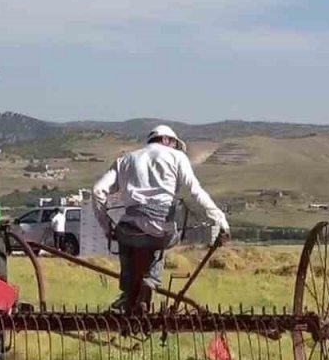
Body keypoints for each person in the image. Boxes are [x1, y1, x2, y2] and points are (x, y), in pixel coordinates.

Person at [92, 124, 230, 313]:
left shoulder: (125, 160)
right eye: (174, 144)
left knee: (124, 239)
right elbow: (194, 191)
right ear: (166, 140)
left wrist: (107, 227)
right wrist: (220, 219)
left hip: (130, 226)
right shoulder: (177, 157)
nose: (174, 148)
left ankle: (128, 292)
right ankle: (150, 282)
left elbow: (97, 191)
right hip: (160, 228)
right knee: (164, 238)